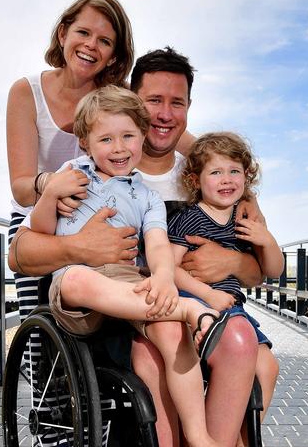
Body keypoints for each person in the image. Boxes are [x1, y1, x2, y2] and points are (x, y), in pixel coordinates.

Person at [28, 85, 226, 447]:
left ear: (142, 136)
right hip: (81, 285)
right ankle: (189, 308)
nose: (119, 148)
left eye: (128, 136)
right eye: (106, 139)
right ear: (86, 143)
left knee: (172, 332)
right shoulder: (72, 174)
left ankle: (199, 436)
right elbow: (40, 231)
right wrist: (51, 194)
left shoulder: (148, 197)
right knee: (75, 280)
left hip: (130, 284)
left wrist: (164, 276)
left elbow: (157, 244)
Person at [129, 47, 270, 447]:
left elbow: (259, 271)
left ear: (189, 107)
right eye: (154, 100)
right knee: (155, 357)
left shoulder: (207, 176)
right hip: (143, 309)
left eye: (178, 103)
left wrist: (228, 260)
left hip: (205, 307)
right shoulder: (113, 165)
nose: (165, 114)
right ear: (133, 100)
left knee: (258, 358)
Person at [6, 0, 136, 321]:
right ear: (63, 33)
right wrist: (55, 185)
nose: (91, 45)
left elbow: (176, 135)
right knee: (37, 328)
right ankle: (35, 368)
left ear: (113, 55)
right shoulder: (26, 92)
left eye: (105, 41)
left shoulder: (115, 101)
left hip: (97, 212)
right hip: (37, 218)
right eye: (83, 32)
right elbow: (21, 187)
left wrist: (238, 176)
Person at [169, 131, 284, 431]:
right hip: (198, 306)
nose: (226, 179)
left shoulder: (244, 220)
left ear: (247, 177)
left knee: (268, 367)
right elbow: (169, 267)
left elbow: (273, 271)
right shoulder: (190, 218)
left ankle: (241, 439)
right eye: (216, 172)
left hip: (233, 310)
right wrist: (207, 292)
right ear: (196, 181)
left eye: (234, 171)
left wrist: (267, 240)